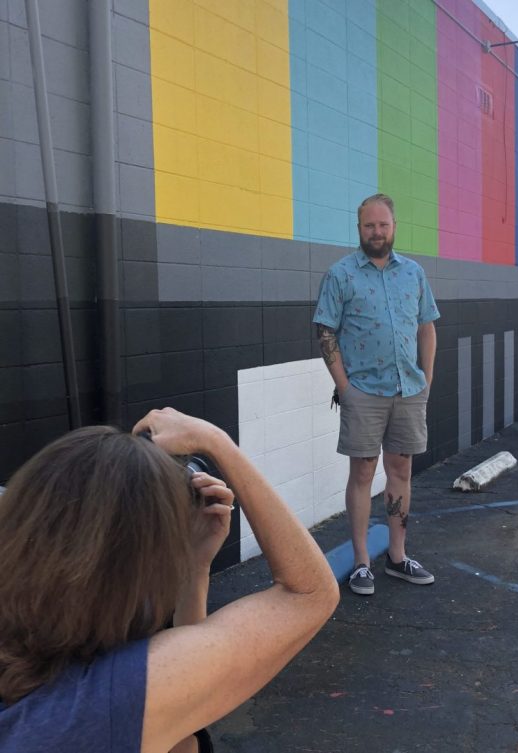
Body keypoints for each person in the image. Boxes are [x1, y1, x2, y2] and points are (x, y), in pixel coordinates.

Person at [0, 408, 339, 752]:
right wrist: (218, 443)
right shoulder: (107, 702)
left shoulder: (41, 654)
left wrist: (196, 567)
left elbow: (186, 710)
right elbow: (309, 593)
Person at [313, 193, 440, 596]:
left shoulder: (414, 273)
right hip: (363, 393)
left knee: (400, 472)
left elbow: (426, 326)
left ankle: (398, 557)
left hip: (408, 389)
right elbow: (325, 331)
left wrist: (427, 379)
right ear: (359, 229)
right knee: (363, 474)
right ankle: (362, 562)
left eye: (383, 225)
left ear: (394, 227)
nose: (377, 232)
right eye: (369, 225)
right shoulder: (341, 275)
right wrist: (344, 388)